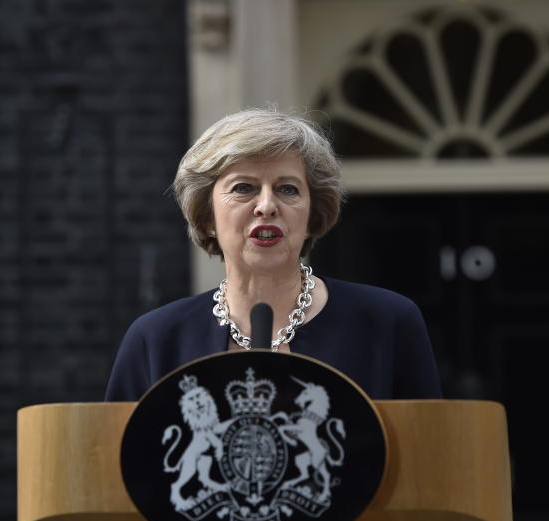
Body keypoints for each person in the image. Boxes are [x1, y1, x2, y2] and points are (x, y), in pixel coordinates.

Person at [105, 109, 441, 401]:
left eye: (287, 189)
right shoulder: (156, 338)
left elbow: (426, 461)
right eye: (243, 187)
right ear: (207, 217)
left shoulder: (388, 322)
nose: (266, 206)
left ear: (312, 216)